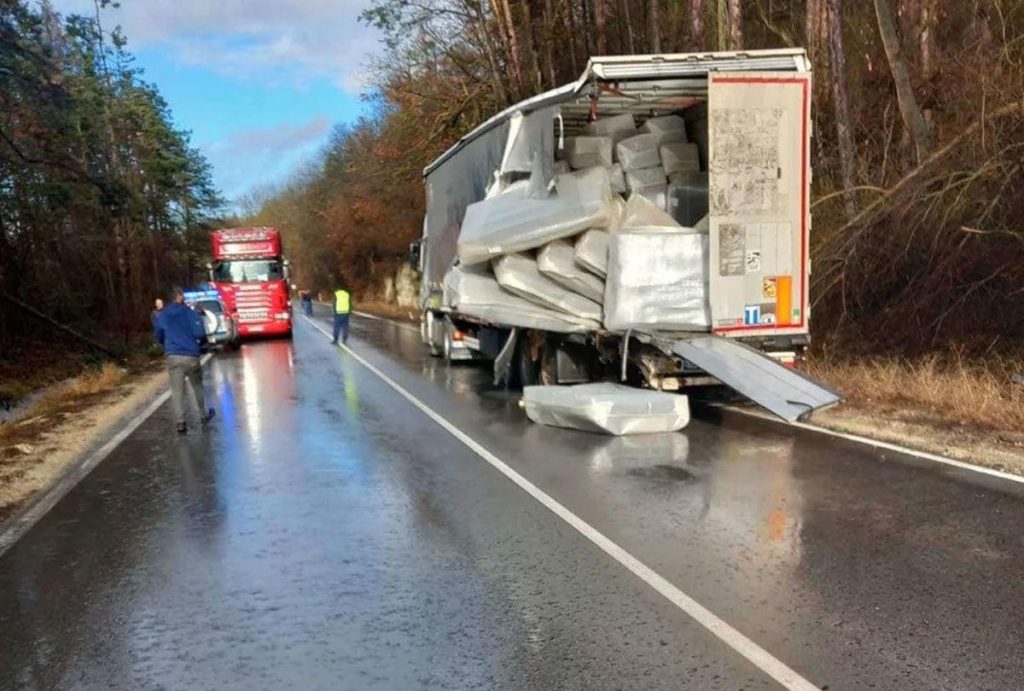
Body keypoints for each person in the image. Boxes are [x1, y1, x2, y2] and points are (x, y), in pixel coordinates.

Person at [155, 287, 215, 434]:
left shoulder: (163, 315)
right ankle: (203, 414)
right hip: (190, 354)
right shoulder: (189, 312)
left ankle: (180, 422)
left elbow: (159, 335)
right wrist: (200, 342)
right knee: (197, 385)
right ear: (180, 297)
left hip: (173, 355)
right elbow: (199, 333)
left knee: (177, 390)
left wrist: (168, 343)